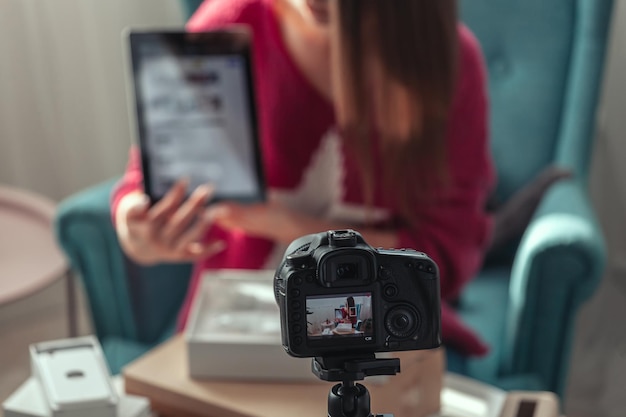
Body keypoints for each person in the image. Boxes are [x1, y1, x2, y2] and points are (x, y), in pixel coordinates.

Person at [112, 0, 495, 356]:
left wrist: (293, 227)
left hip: (389, 336)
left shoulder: (448, 63)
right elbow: (142, 190)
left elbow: (443, 258)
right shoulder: (229, 25)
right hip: (235, 336)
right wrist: (140, 230)